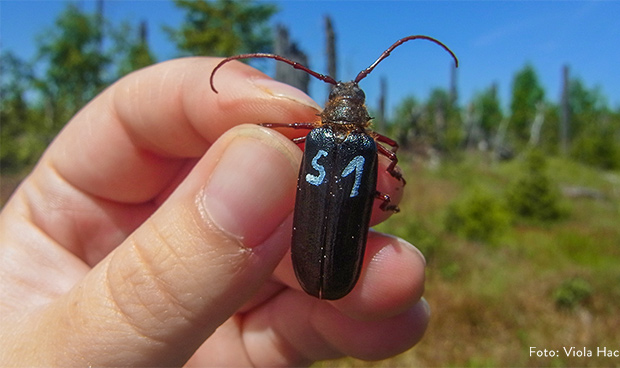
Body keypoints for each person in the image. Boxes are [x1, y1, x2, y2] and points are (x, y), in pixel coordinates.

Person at [0, 57, 429, 366]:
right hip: (331, 258)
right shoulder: (369, 147)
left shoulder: (311, 137)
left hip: (320, 256)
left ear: (332, 106)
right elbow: (388, 158)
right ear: (359, 110)